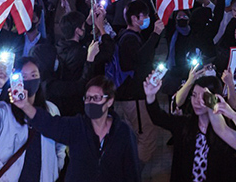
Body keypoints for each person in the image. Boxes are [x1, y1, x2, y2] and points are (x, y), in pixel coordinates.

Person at [11, 75, 141, 182]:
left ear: (110, 101)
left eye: (96, 98)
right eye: (88, 98)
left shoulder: (123, 133)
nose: (91, 102)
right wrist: (25, 106)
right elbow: (50, 124)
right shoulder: (77, 126)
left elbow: (132, 172)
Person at [0, 56, 66, 182]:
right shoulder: (5, 110)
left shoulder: (51, 109)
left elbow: (60, 144)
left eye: (34, 75)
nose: (29, 80)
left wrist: (56, 168)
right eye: (24, 76)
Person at [143, 69, 236, 182]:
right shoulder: (184, 124)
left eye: (204, 97)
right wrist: (150, 96)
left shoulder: (225, 134)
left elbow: (231, 172)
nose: (197, 101)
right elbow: (158, 118)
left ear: (215, 99)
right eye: (194, 95)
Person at [109, 0, 165, 164]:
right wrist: (155, 34)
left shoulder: (131, 36)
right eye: (144, 16)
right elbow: (139, 60)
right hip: (134, 97)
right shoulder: (129, 39)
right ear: (134, 18)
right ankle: (134, 174)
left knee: (137, 135)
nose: (146, 19)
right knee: (147, 138)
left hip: (133, 96)